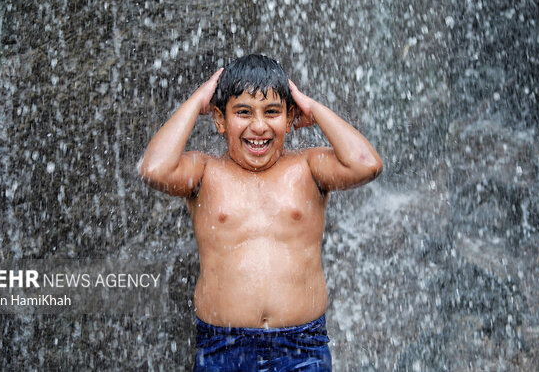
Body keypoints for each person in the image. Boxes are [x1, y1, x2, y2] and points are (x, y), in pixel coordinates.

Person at [138, 54, 383, 371]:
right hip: (223, 346)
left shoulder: (308, 168)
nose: (258, 126)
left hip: (302, 347)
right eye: (243, 112)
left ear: (290, 117)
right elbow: (154, 168)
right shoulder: (204, 172)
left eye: (272, 112)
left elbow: (367, 164)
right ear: (220, 119)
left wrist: (313, 108)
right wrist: (196, 100)